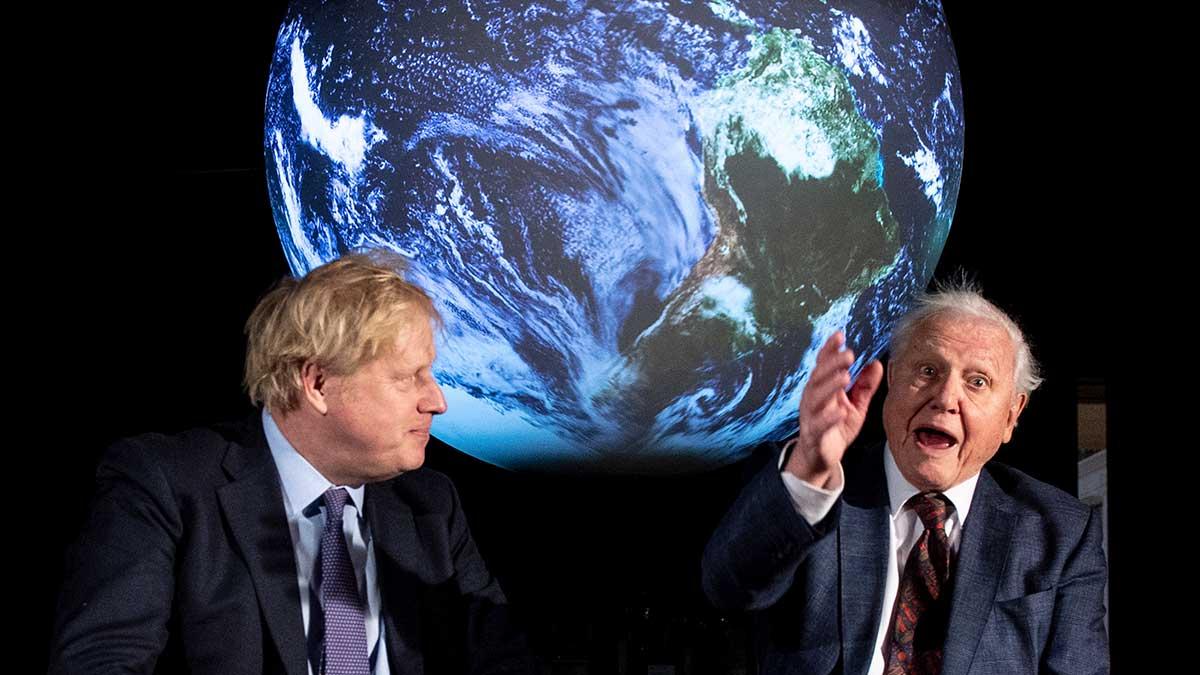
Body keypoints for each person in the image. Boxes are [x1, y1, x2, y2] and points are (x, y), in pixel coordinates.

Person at [51, 251, 533, 675]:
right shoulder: (166, 484)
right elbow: (101, 662)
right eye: (408, 378)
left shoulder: (430, 505)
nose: (437, 402)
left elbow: (504, 659)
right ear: (318, 384)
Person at [702, 284, 1108, 674]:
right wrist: (809, 468)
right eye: (928, 370)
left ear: (1011, 415)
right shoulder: (811, 486)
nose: (946, 398)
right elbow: (729, 587)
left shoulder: (1062, 533)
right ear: (893, 379)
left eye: (977, 382)